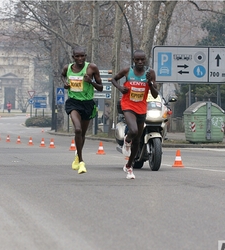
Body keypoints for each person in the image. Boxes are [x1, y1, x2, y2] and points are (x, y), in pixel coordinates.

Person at [111, 49, 159, 179]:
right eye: (137, 59)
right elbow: (113, 79)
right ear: (133, 60)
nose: (140, 62)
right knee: (133, 130)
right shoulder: (127, 71)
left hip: (141, 107)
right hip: (128, 105)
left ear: (145, 60)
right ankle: (126, 141)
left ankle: (129, 166)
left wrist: (150, 83)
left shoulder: (150, 73)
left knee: (137, 140)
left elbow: (155, 94)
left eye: (142, 59)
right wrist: (120, 88)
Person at [61, 46, 103, 174]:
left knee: (82, 134)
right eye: (77, 56)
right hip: (73, 103)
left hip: (87, 103)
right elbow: (62, 76)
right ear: (73, 57)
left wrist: (90, 82)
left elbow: (100, 87)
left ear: (85, 56)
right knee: (77, 129)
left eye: (82, 56)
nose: (80, 58)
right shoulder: (67, 68)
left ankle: (77, 156)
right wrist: (65, 83)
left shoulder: (92, 68)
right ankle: (81, 161)